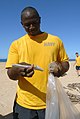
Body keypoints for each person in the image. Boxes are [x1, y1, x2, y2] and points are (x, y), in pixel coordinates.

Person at [6, 6, 69, 119]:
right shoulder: (16, 44)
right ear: (22, 24)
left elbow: (65, 63)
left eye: (34, 22)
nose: (31, 27)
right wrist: (18, 70)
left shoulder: (55, 40)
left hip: (51, 102)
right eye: (27, 25)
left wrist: (60, 68)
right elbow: (10, 73)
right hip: (24, 104)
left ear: (40, 19)